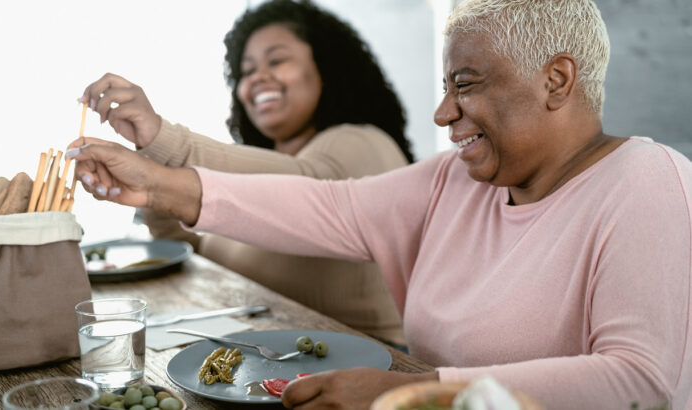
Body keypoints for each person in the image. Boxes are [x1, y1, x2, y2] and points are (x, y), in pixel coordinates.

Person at [67, 0, 692, 408]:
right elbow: (325, 206)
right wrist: (152, 187)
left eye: (466, 85)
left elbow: (638, 381)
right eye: (444, 88)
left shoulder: (644, 181)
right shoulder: (455, 182)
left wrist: (413, 392)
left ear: (556, 80)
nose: (444, 113)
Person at [78, 0, 414, 347]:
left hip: (370, 368)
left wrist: (162, 139)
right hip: (271, 359)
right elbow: (192, 250)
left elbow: (306, 187)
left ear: (328, 65)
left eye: (277, 60)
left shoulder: (362, 141)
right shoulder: (256, 165)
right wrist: (149, 171)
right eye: (246, 70)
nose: (258, 78)